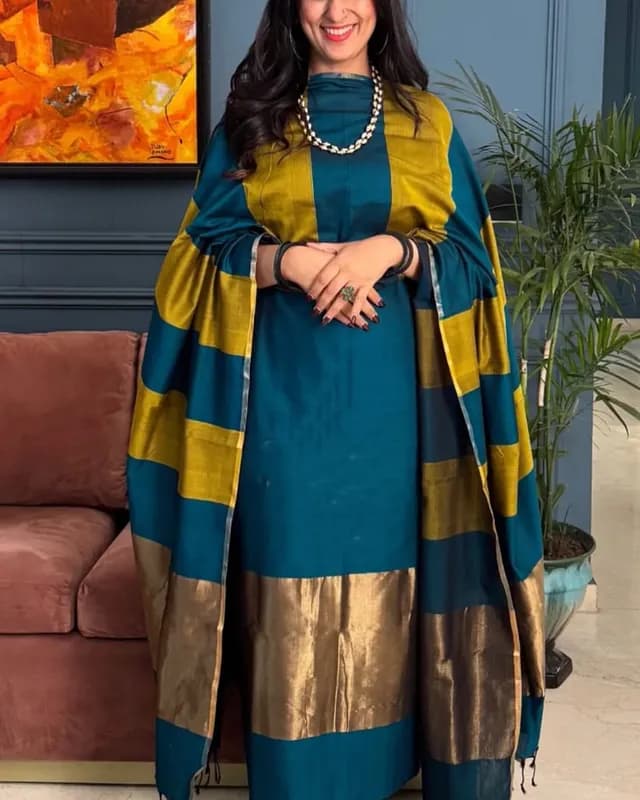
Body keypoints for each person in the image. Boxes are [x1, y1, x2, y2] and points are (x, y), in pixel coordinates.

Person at [126, 2, 546, 799]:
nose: (336, 9)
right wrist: (288, 264)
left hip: (400, 418)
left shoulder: (426, 123)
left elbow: (474, 263)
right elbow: (197, 254)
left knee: (397, 599)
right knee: (291, 607)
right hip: (282, 414)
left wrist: (389, 251)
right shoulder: (251, 123)